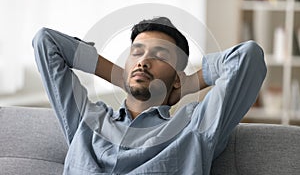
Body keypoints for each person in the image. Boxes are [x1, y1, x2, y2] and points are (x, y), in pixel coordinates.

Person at [32, 17, 266, 175]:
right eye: (137, 53)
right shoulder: (87, 120)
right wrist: (120, 76)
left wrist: (188, 84)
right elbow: (46, 42)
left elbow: (248, 58)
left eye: (160, 56)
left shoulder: (194, 127)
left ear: (176, 78)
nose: (143, 61)